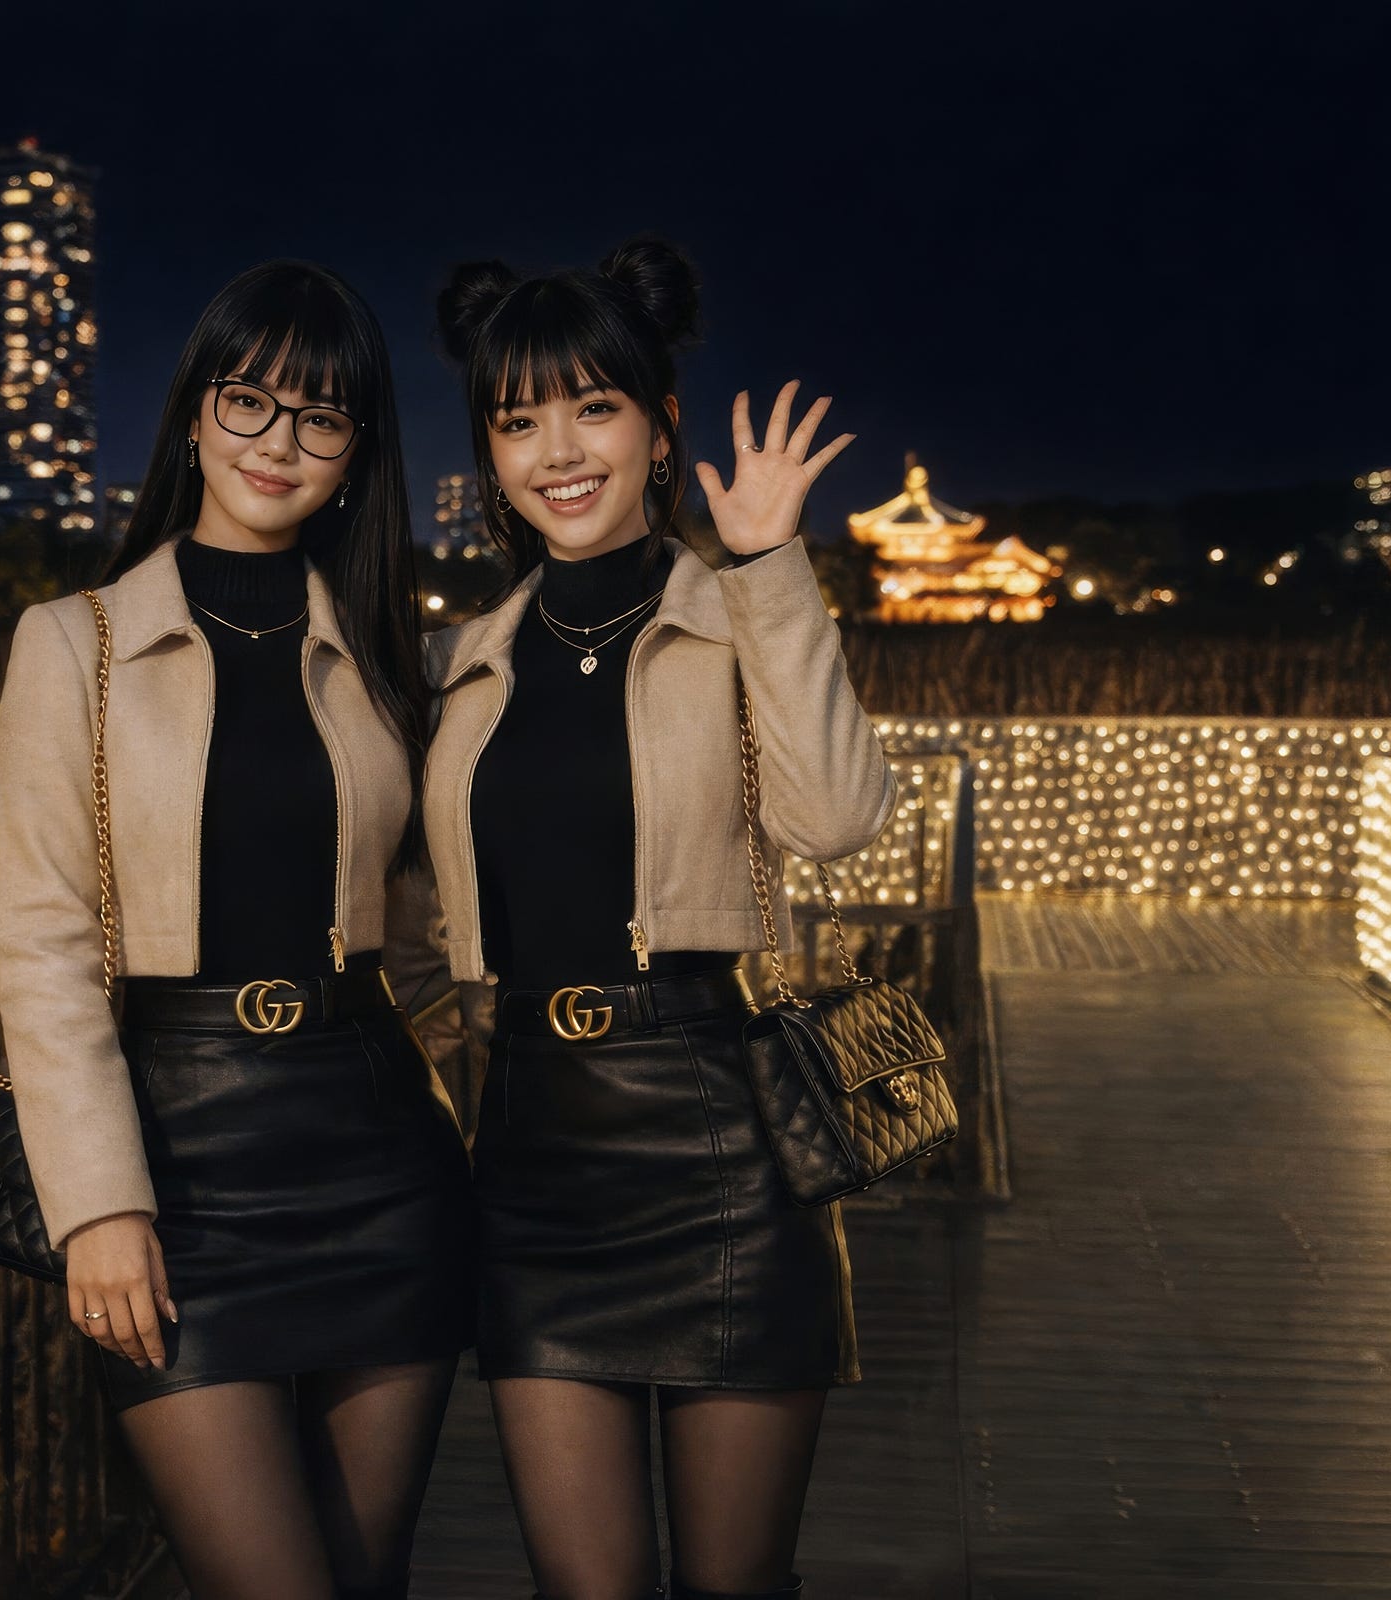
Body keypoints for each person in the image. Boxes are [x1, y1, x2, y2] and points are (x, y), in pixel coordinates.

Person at [0, 260, 474, 1600]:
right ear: (196, 414)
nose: (279, 443)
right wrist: (100, 1208)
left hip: (382, 1156)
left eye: (322, 418)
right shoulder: (71, 644)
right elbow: (40, 948)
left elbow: (435, 917)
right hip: (178, 1166)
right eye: (251, 402)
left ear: (356, 451)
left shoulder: (392, 652)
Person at [425, 239, 896, 1600]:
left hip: (720, 1143)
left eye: (592, 407)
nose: (555, 450)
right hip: (528, 1151)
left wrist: (768, 564)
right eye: (517, 421)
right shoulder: (467, 664)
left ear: (659, 426)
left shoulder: (738, 619)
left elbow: (839, 820)